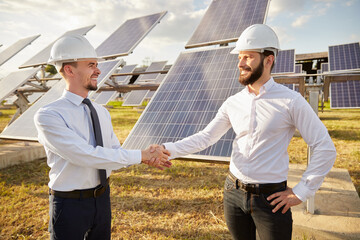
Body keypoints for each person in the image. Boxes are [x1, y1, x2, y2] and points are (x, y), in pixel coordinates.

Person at [160, 24, 336, 240]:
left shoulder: (291, 101)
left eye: (248, 57)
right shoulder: (233, 102)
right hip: (232, 192)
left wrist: (302, 191)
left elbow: (324, 147)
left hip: (271, 199)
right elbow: (206, 137)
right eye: (239, 57)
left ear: (268, 60)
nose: (240, 63)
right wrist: (166, 149)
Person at [34, 34, 171, 240]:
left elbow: (113, 153)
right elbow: (85, 155)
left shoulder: (101, 111)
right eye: (90, 65)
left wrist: (146, 157)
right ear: (70, 70)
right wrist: (141, 155)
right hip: (69, 205)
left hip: (102, 198)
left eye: (96, 64)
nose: (98, 70)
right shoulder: (49, 115)